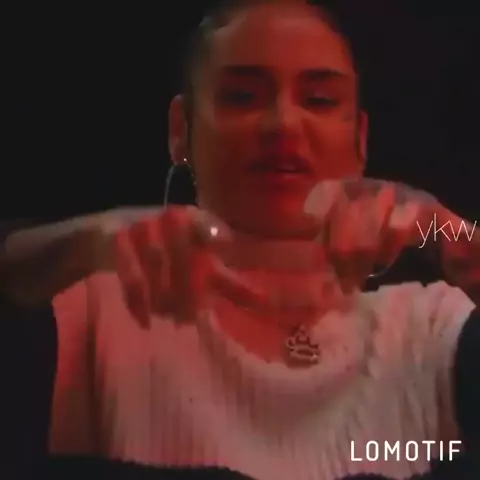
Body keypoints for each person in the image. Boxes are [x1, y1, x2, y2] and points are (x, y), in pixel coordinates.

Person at [1, 1, 479, 479]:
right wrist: (80, 245)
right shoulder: (95, 312)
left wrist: (444, 232)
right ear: (180, 131)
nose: (284, 124)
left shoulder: (429, 330)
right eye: (242, 97)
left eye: (319, 101)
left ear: (360, 139)